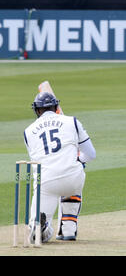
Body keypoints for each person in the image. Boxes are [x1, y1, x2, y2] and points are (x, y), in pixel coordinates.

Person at [23, 91, 96, 242]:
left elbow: (35, 162)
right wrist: (78, 161)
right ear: (56, 107)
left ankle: (42, 228)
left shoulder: (28, 132)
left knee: (34, 233)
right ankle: (68, 230)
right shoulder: (72, 122)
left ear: (37, 110)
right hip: (72, 179)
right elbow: (90, 154)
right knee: (76, 171)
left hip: (46, 183)